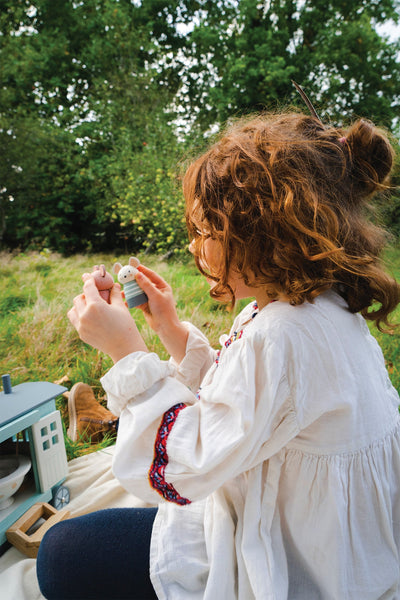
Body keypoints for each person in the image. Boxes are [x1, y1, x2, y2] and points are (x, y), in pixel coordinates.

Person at [37, 110, 400, 600]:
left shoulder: (282, 335)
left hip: (298, 558)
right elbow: (246, 408)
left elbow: (186, 468)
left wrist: (125, 351)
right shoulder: (314, 307)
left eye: (204, 230)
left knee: (62, 553)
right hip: (333, 537)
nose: (193, 245)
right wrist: (166, 325)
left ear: (264, 236)